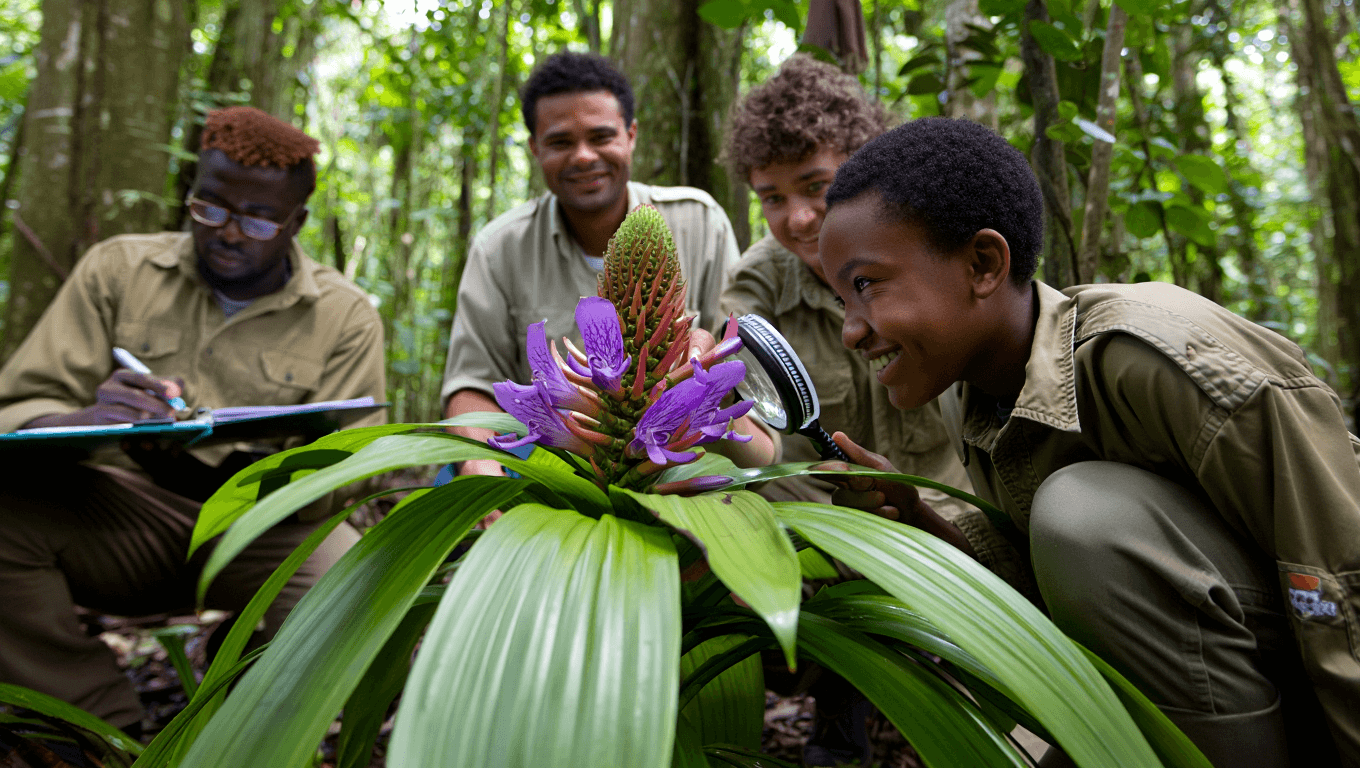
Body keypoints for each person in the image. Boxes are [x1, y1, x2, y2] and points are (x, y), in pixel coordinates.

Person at [817, 116, 1357, 766]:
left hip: (1311, 680)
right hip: (1192, 686)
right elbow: (1065, 590)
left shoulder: (1160, 357)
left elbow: (1337, 584)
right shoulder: (968, 388)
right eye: (842, 297)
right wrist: (916, 518)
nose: (851, 330)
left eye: (868, 285)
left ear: (983, 264)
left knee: (1085, 512)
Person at [0, 106, 386, 736]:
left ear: (297, 222)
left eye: (259, 218)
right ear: (191, 195)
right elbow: (14, 411)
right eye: (210, 208)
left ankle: (256, 729)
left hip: (262, 528)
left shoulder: (344, 317)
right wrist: (89, 419)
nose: (229, 233)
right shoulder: (118, 270)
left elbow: (349, 475)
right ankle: (93, 727)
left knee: (351, 579)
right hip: (122, 521)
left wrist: (257, 470)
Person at [442, 51, 772, 477]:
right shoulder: (498, 247)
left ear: (631, 135)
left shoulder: (700, 222)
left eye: (601, 137)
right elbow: (470, 384)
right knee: (449, 488)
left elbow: (738, 377)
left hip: (674, 462)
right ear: (534, 148)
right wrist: (479, 463)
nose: (583, 157)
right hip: (555, 461)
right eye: (560, 142)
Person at [719, 54, 973, 516]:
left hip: (952, 516)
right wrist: (705, 390)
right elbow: (759, 441)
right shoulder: (759, 282)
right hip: (826, 519)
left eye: (816, 186)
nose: (798, 218)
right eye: (772, 198)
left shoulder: (938, 251)